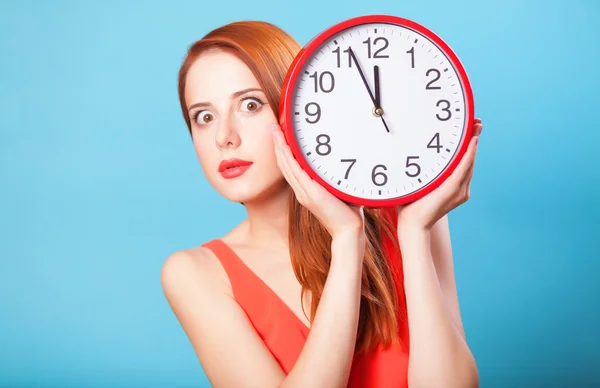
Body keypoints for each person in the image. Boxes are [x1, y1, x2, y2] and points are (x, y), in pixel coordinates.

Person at [161, 20, 483, 388]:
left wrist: (414, 232)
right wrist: (347, 240)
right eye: (204, 117)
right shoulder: (195, 274)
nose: (224, 137)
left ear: (297, 110)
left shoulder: (410, 215)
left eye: (250, 105)